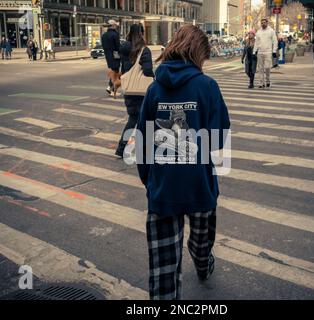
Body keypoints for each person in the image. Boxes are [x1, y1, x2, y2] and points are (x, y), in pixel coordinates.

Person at [136, 24, 230, 300]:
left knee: (163, 272)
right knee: (202, 246)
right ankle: (203, 265)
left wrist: (151, 181)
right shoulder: (208, 87)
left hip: (163, 190)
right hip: (200, 187)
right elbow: (219, 137)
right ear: (199, 53)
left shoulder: (154, 90)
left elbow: (142, 141)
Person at [115, 24, 154, 158]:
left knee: (133, 119)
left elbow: (123, 68)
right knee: (148, 119)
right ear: (141, 34)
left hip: (129, 90)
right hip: (142, 92)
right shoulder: (144, 50)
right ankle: (147, 149)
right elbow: (148, 71)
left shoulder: (124, 48)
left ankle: (121, 149)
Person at [253, 17, 278, 88]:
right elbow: (256, 43)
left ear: (267, 23)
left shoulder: (271, 31)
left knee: (267, 67)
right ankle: (261, 83)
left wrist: (274, 51)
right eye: (262, 23)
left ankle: (268, 81)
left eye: (264, 22)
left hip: (268, 52)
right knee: (260, 68)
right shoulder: (259, 32)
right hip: (260, 52)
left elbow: (275, 41)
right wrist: (254, 51)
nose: (263, 24)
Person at [101, 19, 121, 95]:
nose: (116, 27)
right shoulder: (115, 35)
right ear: (113, 26)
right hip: (115, 55)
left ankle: (111, 88)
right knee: (115, 71)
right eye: (115, 25)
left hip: (108, 56)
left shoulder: (104, 35)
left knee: (114, 70)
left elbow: (104, 46)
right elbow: (118, 46)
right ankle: (110, 88)